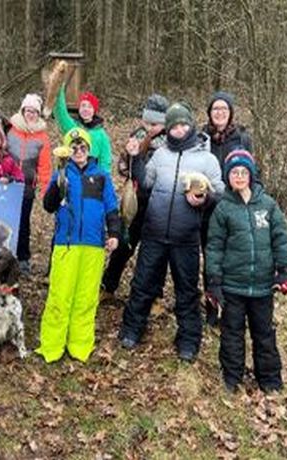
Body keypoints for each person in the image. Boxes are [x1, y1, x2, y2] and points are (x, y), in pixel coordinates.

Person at [119, 103, 225, 361]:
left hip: (186, 236)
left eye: (183, 125)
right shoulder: (161, 154)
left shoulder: (207, 158)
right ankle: (132, 329)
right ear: (168, 129)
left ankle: (188, 340)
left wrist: (205, 198)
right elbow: (145, 185)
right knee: (142, 284)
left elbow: (220, 192)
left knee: (186, 290)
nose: (179, 130)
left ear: (190, 125)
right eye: (174, 126)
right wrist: (135, 158)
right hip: (154, 232)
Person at [206, 150, 287, 393]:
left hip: (263, 286)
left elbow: (281, 239)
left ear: (252, 175)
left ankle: (270, 380)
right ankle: (232, 378)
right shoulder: (223, 209)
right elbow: (214, 246)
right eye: (235, 172)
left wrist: (284, 270)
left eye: (244, 172)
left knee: (264, 333)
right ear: (228, 177)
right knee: (232, 333)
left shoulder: (267, 205)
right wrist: (213, 281)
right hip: (233, 286)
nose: (240, 176)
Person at [35, 128, 120, 363]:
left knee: (86, 297)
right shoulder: (61, 173)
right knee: (59, 296)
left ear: (88, 149)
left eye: (83, 147)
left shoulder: (102, 176)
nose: (79, 151)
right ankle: (52, 345)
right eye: (74, 148)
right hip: (66, 245)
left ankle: (80, 345)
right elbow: (49, 205)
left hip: (93, 246)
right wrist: (58, 179)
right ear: (68, 150)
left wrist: (114, 232)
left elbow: (112, 207)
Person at [101, 94, 169, 300]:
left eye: (155, 124)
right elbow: (123, 162)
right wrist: (124, 165)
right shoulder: (137, 135)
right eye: (147, 122)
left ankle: (154, 295)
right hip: (134, 201)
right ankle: (108, 286)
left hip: (157, 203)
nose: (150, 128)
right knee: (123, 245)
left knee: (156, 253)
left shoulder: (169, 142)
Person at [201, 91, 254, 326]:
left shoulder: (242, 138)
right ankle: (211, 307)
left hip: (233, 207)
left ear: (230, 112)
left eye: (224, 108)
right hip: (207, 208)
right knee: (210, 257)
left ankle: (230, 309)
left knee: (231, 260)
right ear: (210, 114)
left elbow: (251, 172)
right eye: (215, 109)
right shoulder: (202, 138)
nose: (219, 112)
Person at [7, 93, 52, 275]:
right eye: (28, 110)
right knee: (5, 218)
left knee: (23, 222)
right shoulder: (10, 129)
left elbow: (45, 166)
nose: (31, 114)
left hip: (27, 187)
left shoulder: (42, 137)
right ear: (22, 110)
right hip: (7, 184)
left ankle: (23, 258)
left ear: (38, 114)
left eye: (34, 111)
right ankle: (4, 254)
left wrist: (45, 190)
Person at [53, 84, 112, 173]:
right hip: (72, 173)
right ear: (79, 108)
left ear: (94, 111)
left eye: (89, 107)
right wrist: (59, 87)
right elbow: (61, 113)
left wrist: (103, 180)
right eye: (83, 106)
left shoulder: (101, 134)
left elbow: (105, 161)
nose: (86, 109)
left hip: (91, 177)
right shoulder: (72, 127)